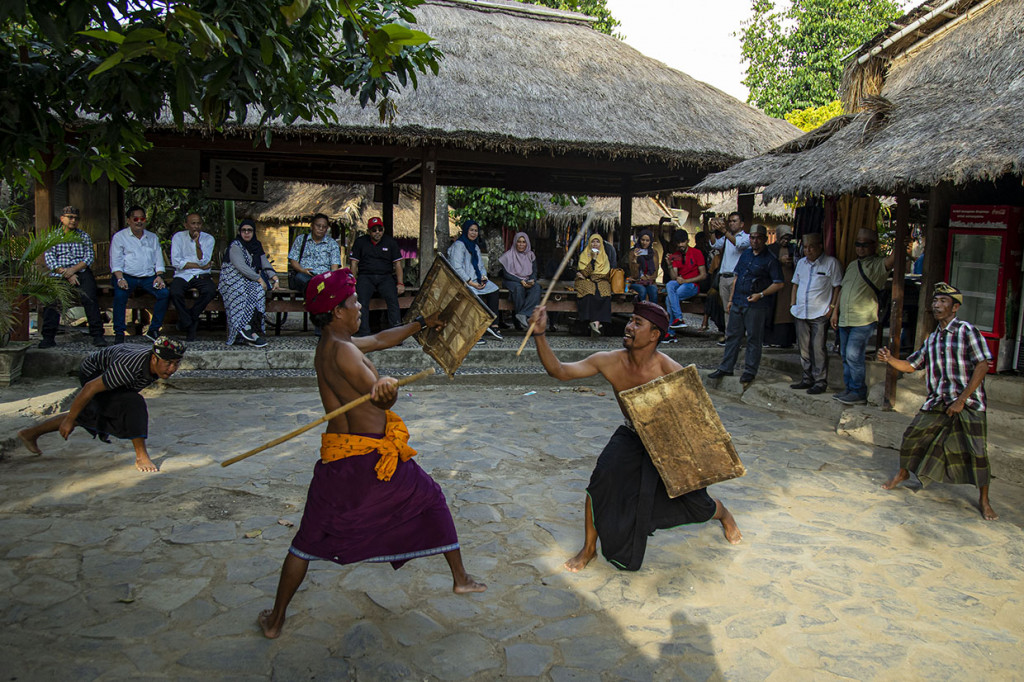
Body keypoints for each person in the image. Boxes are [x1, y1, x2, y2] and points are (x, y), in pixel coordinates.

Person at [257, 269, 486, 639]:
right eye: (353, 302)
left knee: (305, 541)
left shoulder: (331, 344)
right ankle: (461, 578)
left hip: (338, 460)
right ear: (337, 311)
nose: (360, 305)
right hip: (370, 460)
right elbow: (381, 400)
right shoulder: (345, 353)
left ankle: (276, 620)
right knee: (432, 498)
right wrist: (387, 389)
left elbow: (380, 339)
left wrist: (420, 324)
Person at [528, 301, 741, 572]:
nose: (629, 327)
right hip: (632, 433)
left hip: (669, 442)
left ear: (655, 335)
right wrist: (540, 334)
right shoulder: (610, 360)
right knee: (601, 480)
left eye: (637, 323)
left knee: (697, 506)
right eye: (630, 320)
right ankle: (589, 549)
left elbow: (699, 421)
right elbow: (559, 370)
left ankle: (722, 513)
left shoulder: (671, 371)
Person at [878, 282, 997, 521]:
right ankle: (903, 473)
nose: (937, 305)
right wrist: (890, 359)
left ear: (955, 307)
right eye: (935, 301)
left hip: (969, 402)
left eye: (943, 301)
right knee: (913, 435)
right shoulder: (933, 339)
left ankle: (984, 500)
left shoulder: (966, 331)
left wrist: (962, 400)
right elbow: (911, 366)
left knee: (977, 453)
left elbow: (983, 365)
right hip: (939, 400)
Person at [17, 336, 186, 473]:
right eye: (168, 363)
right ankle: (141, 455)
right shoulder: (128, 368)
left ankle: (30, 433)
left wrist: (72, 418)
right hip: (94, 373)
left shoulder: (150, 363)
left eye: (176, 363)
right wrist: (69, 419)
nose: (172, 369)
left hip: (114, 371)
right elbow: (90, 388)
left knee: (93, 413)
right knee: (134, 404)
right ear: (154, 359)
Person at [709, 224, 784, 384]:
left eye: (758, 238)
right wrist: (730, 300)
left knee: (753, 339)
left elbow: (779, 283)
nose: (755, 241)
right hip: (738, 301)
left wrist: (761, 294)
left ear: (764, 239)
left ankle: (750, 370)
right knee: (732, 336)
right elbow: (737, 277)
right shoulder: (746, 255)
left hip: (756, 304)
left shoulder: (770, 259)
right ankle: (726, 367)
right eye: (752, 237)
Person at [830, 227, 896, 405]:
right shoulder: (852, 265)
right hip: (845, 318)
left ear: (874, 246)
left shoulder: (877, 265)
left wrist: (901, 242)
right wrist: (835, 312)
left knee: (853, 355)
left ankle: (858, 391)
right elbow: (842, 290)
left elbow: (892, 260)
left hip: (862, 319)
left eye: (865, 245)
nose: (860, 248)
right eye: (858, 244)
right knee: (844, 355)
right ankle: (850, 388)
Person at [40, 205, 107, 348]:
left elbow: (88, 258)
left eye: (76, 218)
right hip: (59, 273)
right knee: (52, 300)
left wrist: (73, 271)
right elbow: (50, 259)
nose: (73, 220)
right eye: (70, 217)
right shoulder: (53, 236)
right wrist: (66, 273)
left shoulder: (84, 236)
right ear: (62, 219)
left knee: (90, 297)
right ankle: (48, 337)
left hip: (80, 272)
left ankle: (97, 335)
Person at [789, 233, 842, 395]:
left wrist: (832, 308)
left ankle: (820, 380)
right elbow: (795, 284)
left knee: (818, 347)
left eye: (811, 247)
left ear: (820, 246)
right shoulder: (801, 264)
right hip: (801, 312)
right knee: (803, 347)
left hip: (819, 312)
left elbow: (837, 287)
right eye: (805, 247)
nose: (808, 250)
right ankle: (806, 378)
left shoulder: (831, 263)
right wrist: (792, 305)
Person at [110, 205, 169, 343]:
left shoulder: (152, 237)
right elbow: (116, 262)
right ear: (129, 220)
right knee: (120, 295)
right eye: (135, 218)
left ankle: (153, 329)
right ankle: (119, 332)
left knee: (164, 293)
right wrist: (120, 279)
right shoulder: (119, 237)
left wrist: (159, 276)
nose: (139, 221)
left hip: (148, 277)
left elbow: (159, 260)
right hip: (126, 276)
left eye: (142, 218)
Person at [218, 219, 279, 348]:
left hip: (248, 280)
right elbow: (241, 266)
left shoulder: (256, 245)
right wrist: (259, 279)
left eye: (249, 230)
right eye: (243, 230)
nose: (246, 233)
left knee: (257, 291)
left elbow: (264, 262)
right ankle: (245, 328)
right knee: (245, 292)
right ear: (240, 232)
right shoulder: (235, 245)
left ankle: (250, 329)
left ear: (253, 232)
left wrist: (274, 277)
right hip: (232, 280)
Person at [349, 216, 404, 337]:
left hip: (385, 277)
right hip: (365, 276)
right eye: (374, 230)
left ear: (383, 230)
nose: (377, 232)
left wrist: (400, 283)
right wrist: (352, 282)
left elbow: (398, 264)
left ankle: (396, 334)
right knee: (361, 301)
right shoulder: (360, 242)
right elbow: (354, 263)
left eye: (380, 229)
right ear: (369, 231)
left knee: (393, 300)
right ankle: (364, 332)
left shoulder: (390, 242)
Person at [448, 219, 502, 341]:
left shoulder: (475, 247)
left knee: (494, 289)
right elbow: (456, 268)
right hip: (462, 281)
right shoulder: (459, 245)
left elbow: (481, 266)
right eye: (471, 230)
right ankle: (475, 331)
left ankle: (493, 325)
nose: (473, 233)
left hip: (475, 280)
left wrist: (483, 278)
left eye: (476, 231)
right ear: (466, 231)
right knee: (473, 295)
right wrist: (471, 282)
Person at [169, 212, 217, 342]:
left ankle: (188, 318)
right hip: (183, 275)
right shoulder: (178, 237)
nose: (196, 226)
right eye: (193, 223)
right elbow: (176, 262)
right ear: (186, 225)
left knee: (210, 291)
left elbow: (204, 261)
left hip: (202, 275)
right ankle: (189, 321)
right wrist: (200, 266)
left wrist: (197, 245)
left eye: (199, 223)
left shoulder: (208, 239)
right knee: (175, 292)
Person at [710, 212, 750, 343]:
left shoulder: (746, 237)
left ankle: (740, 335)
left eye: (734, 221)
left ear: (742, 224)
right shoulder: (727, 237)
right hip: (724, 276)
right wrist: (712, 231)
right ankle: (729, 336)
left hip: (736, 277)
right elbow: (715, 244)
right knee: (726, 309)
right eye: (730, 221)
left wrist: (724, 231)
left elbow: (738, 244)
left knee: (737, 307)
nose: (732, 223)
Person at [665, 229, 706, 339]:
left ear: (687, 241)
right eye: (678, 243)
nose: (680, 245)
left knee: (669, 299)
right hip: (680, 283)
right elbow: (674, 277)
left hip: (692, 285)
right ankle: (678, 319)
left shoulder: (697, 253)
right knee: (669, 285)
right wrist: (669, 265)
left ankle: (670, 332)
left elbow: (703, 275)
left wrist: (685, 281)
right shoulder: (676, 255)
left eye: (682, 242)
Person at [289, 213, 342, 294]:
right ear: (312, 226)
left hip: (324, 278)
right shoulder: (301, 239)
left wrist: (331, 277)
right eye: (318, 225)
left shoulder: (332, 244)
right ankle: (317, 293)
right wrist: (302, 270)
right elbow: (293, 260)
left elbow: (334, 266)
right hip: (305, 275)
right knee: (301, 279)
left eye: (324, 227)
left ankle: (317, 294)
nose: (321, 228)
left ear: (327, 228)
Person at [498, 231, 541, 330]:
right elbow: (506, 274)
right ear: (515, 242)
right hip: (511, 281)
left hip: (527, 280)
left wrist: (532, 280)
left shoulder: (530, 255)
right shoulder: (507, 256)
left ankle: (523, 314)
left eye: (524, 242)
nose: (521, 244)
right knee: (519, 289)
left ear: (527, 243)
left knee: (537, 288)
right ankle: (519, 319)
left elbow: (534, 271)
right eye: (519, 242)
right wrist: (519, 280)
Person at [764, 225, 797, 349]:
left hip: (789, 286)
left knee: (787, 313)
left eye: (788, 238)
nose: (786, 240)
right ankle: (771, 338)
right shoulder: (771, 249)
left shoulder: (793, 249)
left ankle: (787, 340)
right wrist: (779, 260)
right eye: (783, 237)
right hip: (775, 284)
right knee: (774, 312)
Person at [575, 234, 612, 336]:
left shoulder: (604, 256)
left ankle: (597, 322)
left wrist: (593, 276)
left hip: (601, 280)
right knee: (589, 290)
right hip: (585, 281)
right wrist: (593, 260)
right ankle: (593, 322)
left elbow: (606, 274)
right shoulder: (584, 255)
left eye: (597, 242)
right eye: (593, 242)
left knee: (604, 291)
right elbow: (584, 273)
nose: (595, 244)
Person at [627, 229, 660, 304]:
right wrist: (635, 258)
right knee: (642, 291)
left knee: (653, 291)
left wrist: (647, 277)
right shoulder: (633, 252)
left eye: (647, 240)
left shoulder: (654, 253)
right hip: (637, 281)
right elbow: (633, 273)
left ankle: (653, 312)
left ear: (650, 241)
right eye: (643, 240)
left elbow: (655, 272)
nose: (644, 242)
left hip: (650, 281)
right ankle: (642, 312)